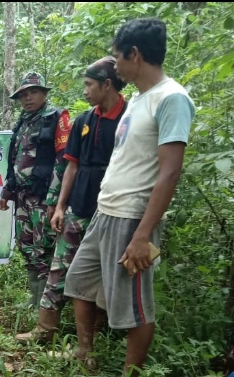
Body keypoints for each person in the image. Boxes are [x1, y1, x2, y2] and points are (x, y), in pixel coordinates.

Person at [61, 18, 195, 376]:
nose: (115, 66)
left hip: (133, 217)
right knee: (79, 282)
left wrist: (142, 235)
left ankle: (130, 372)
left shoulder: (172, 99)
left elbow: (169, 172)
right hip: (106, 210)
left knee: (135, 306)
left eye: (118, 57)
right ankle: (83, 351)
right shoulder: (138, 99)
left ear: (135, 54)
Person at [15, 56, 128, 344]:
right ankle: (45, 328)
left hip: (116, 207)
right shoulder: (83, 121)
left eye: (89, 85)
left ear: (107, 84)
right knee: (60, 265)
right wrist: (60, 205)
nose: (85, 91)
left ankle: (102, 331)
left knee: (109, 270)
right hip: (79, 205)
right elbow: (70, 165)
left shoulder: (129, 118)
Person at [0, 72, 71, 309]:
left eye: (33, 93)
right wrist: (8, 190)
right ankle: (34, 298)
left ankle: (46, 304)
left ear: (44, 94)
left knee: (44, 248)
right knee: (25, 244)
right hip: (22, 196)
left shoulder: (56, 118)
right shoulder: (23, 122)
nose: (28, 98)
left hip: (43, 198)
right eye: (23, 95)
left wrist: (55, 199)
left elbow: (64, 160)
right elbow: (15, 160)